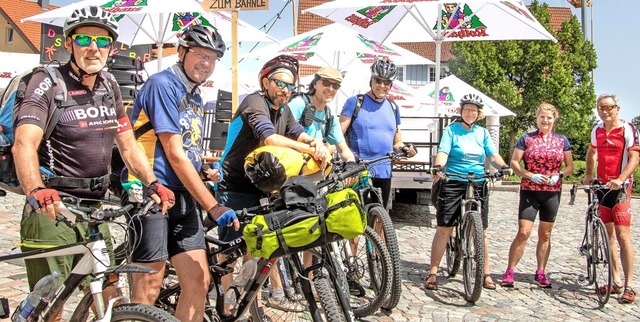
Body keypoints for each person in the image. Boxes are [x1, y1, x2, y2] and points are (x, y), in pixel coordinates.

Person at [12, 4, 174, 305]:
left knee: (109, 294)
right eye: (85, 39)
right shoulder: (47, 82)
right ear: (70, 43)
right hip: (53, 207)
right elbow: (24, 144)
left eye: (102, 41)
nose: (93, 48)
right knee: (52, 302)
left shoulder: (109, 84)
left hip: (95, 209)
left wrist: (152, 182)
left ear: (111, 47)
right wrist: (36, 188)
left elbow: (127, 145)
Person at [124, 25, 239, 322]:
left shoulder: (196, 96)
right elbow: (173, 153)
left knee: (199, 281)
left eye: (213, 58)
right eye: (200, 54)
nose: (206, 63)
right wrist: (212, 205)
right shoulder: (162, 84)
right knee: (149, 285)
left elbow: (186, 147)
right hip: (152, 192)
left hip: (183, 196)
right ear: (181, 52)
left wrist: (203, 168)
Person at [217, 54, 330, 312]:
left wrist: (317, 145)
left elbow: (299, 133)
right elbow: (270, 139)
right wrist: (309, 148)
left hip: (263, 186)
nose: (285, 90)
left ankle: (250, 308)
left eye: (290, 86)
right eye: (280, 83)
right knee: (230, 250)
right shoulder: (254, 102)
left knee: (257, 248)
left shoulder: (285, 110)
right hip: (234, 185)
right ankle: (225, 305)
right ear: (265, 82)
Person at [424, 93, 511, 291]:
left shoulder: (482, 133)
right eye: (466, 109)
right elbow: (443, 152)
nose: (470, 113)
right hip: (454, 181)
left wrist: (503, 166)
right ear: (461, 111)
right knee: (444, 227)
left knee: (482, 230)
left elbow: (492, 154)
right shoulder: (451, 131)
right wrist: (438, 167)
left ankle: (485, 273)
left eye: (473, 110)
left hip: (478, 182)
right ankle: (433, 273)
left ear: (478, 113)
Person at [501, 103, 574, 288]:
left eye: (549, 117)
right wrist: (529, 174)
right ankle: (510, 270)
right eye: (542, 117)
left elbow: (570, 166)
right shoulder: (527, 138)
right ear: (537, 118)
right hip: (530, 190)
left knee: (546, 233)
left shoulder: (561, 140)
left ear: (554, 119)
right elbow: (515, 162)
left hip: (552, 192)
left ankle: (540, 272)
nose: (545, 120)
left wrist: (559, 175)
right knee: (524, 231)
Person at [582, 94, 640, 303]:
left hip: (621, 188)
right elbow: (591, 152)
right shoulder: (597, 130)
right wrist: (589, 174)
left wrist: (622, 178)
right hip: (602, 186)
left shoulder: (627, 129)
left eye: (608, 107)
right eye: (600, 107)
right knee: (609, 236)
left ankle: (629, 285)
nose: (604, 111)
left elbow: (634, 157)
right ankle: (615, 281)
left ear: (617, 108)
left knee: (623, 235)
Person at [339, 58, 417, 209]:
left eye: (387, 82)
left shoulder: (393, 107)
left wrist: (406, 149)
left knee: (379, 217)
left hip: (384, 170)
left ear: (391, 85)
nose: (382, 85)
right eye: (378, 80)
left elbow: (397, 142)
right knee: (354, 218)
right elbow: (337, 134)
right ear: (371, 80)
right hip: (358, 169)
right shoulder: (355, 102)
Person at [288, 66, 355, 164]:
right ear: (315, 84)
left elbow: (343, 150)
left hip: (314, 171)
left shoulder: (330, 115)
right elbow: (280, 136)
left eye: (336, 85)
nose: (331, 89)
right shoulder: (298, 104)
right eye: (326, 83)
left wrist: (351, 162)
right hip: (290, 168)